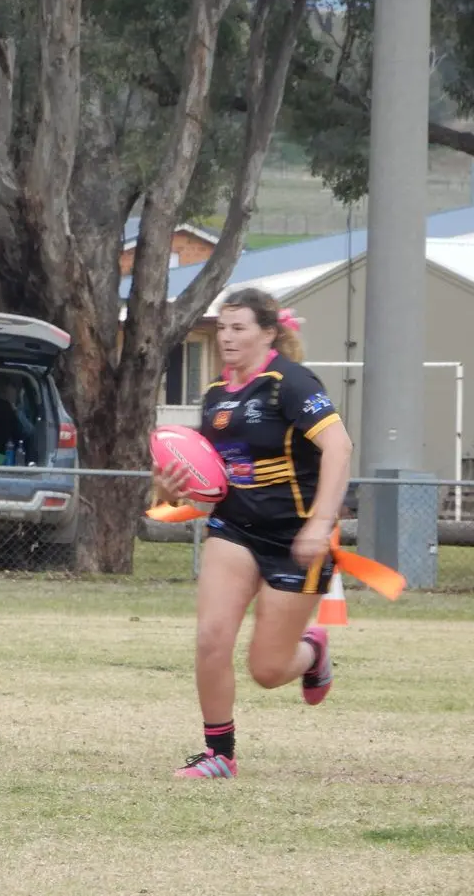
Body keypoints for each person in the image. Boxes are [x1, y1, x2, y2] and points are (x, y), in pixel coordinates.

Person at [154, 287, 351, 780]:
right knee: (211, 637)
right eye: (222, 327)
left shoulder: (291, 382)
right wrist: (170, 488)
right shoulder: (215, 396)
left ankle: (313, 652)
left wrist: (320, 522)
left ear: (268, 333)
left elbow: (340, 447)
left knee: (267, 670)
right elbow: (209, 479)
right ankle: (219, 754)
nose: (226, 337)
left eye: (238, 327)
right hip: (234, 528)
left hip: (295, 539)